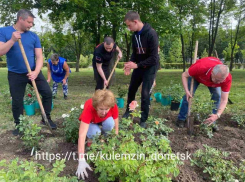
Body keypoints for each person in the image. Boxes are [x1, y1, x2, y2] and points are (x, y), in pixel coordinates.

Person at [0, 9, 57, 135]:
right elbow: (1, 51)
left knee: (47, 93)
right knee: (17, 100)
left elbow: (39, 57)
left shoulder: (33, 36)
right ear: (20, 19)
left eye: (32, 23)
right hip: (15, 73)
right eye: (29, 22)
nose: (31, 25)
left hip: (33, 72)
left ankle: (46, 118)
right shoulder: (4, 31)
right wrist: (12, 40)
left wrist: (36, 72)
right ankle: (19, 125)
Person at [122, 11, 159, 128]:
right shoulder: (134, 36)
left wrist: (137, 65)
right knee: (132, 89)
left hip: (150, 68)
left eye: (129, 25)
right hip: (139, 66)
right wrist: (130, 63)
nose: (129, 28)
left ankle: (143, 119)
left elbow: (154, 58)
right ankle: (129, 111)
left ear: (135, 22)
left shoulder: (151, 34)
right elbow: (135, 53)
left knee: (145, 93)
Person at [176, 57, 232, 131]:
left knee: (217, 96)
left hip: (210, 80)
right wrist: (187, 91)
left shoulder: (227, 78)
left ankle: (212, 120)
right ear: (212, 72)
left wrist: (217, 115)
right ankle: (181, 119)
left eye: (221, 81)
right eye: (216, 79)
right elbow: (184, 75)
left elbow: (224, 100)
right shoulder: (200, 67)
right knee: (189, 96)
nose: (218, 82)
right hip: (197, 76)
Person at [76, 89, 119, 180]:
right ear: (96, 107)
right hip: (91, 121)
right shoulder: (89, 108)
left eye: (106, 109)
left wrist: (113, 142)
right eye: (101, 109)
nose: (104, 112)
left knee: (110, 123)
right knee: (95, 133)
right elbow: (82, 135)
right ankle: (93, 139)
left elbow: (115, 124)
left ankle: (103, 139)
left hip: (105, 120)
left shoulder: (112, 105)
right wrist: (81, 160)